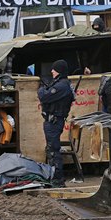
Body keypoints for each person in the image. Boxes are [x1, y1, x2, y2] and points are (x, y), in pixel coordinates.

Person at [37, 59, 76, 187]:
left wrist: (41, 89)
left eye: (54, 69)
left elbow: (44, 96)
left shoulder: (62, 86)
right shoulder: (61, 84)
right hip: (53, 120)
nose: (52, 71)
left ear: (59, 71)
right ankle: (54, 177)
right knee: (51, 149)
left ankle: (58, 180)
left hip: (54, 121)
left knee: (53, 151)